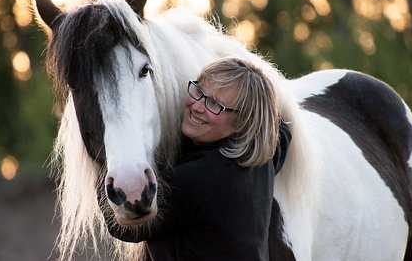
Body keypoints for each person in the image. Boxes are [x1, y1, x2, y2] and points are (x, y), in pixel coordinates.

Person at [105, 57, 291, 261]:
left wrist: (109, 159)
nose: (198, 106)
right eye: (199, 91)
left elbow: (127, 228)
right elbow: (283, 131)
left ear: (242, 123)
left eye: (214, 105)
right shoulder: (262, 158)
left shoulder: (199, 179)